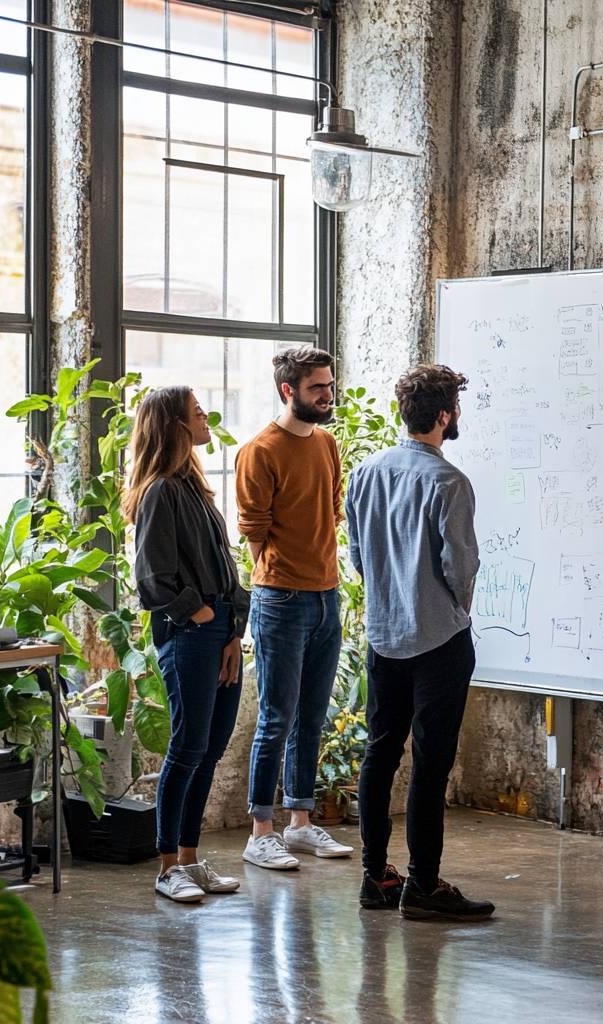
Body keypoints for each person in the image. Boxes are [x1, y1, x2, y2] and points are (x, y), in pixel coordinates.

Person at [346, 364, 494, 922]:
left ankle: (375, 875)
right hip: (438, 640)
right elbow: (461, 564)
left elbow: (359, 557)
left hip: (383, 638)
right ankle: (424, 884)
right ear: (444, 416)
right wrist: (459, 605)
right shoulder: (447, 481)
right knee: (431, 764)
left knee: (379, 753)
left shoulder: (365, 473)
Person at [125, 386, 250, 904]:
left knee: (210, 750)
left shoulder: (195, 488)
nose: (205, 417)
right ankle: (167, 865)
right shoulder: (160, 492)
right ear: (175, 425)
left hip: (221, 629)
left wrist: (232, 629)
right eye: (196, 411)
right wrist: (199, 616)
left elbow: (225, 564)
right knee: (188, 748)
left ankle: (191, 859)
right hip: (191, 632)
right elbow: (153, 579)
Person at [236, 347, 353, 869]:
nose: (328, 395)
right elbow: (254, 533)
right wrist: (282, 579)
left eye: (329, 385)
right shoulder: (260, 451)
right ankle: (262, 830)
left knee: (313, 716)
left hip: (327, 596)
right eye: (317, 389)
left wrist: (320, 581)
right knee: (276, 718)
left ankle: (300, 823)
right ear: (289, 391)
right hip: (281, 600)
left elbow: (332, 510)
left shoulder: (326, 444)